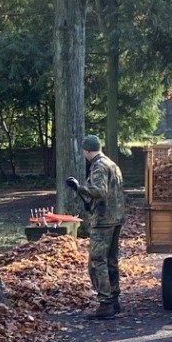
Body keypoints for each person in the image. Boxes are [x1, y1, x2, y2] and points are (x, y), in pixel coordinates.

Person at [66, 134, 126, 319]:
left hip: (103, 220)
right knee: (111, 260)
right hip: (115, 217)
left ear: (87, 150)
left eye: (84, 151)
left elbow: (99, 191)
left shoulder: (99, 165)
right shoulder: (111, 164)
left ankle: (105, 303)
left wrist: (79, 188)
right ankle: (114, 299)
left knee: (97, 261)